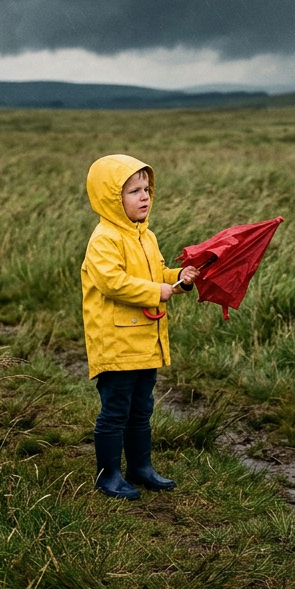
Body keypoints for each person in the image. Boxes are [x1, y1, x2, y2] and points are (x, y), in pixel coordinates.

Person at [81, 155, 198, 499]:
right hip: (116, 342)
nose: (144, 196)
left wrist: (179, 278)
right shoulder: (104, 239)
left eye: (146, 189)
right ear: (110, 198)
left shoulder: (147, 237)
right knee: (116, 410)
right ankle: (108, 475)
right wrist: (157, 292)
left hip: (145, 340)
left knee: (141, 407)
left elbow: (156, 276)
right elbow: (113, 283)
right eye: (133, 191)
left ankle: (140, 467)